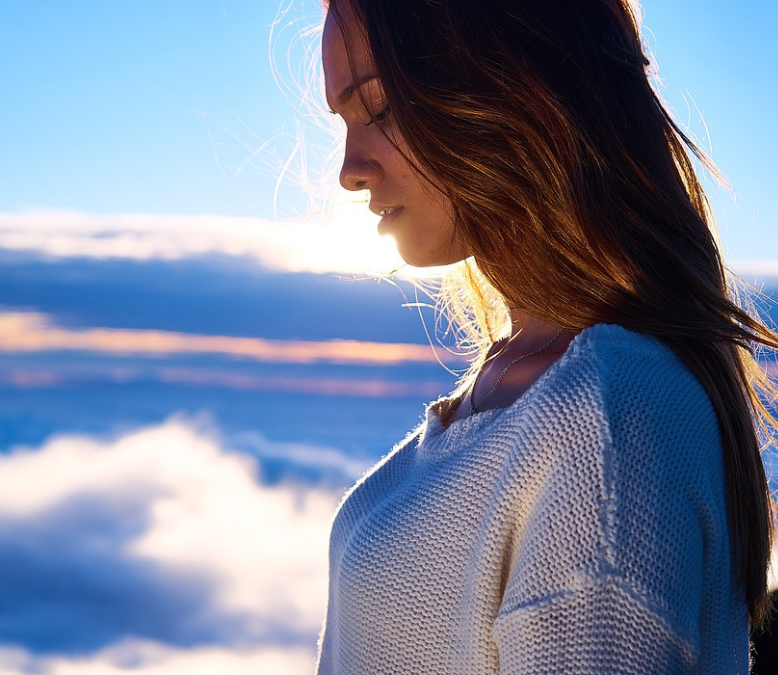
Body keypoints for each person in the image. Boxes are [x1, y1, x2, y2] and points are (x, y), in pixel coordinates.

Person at [314, 0, 777, 672]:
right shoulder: (527, 382)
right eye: (344, 120)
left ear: (511, 85)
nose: (349, 170)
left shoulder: (607, 419)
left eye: (381, 109)